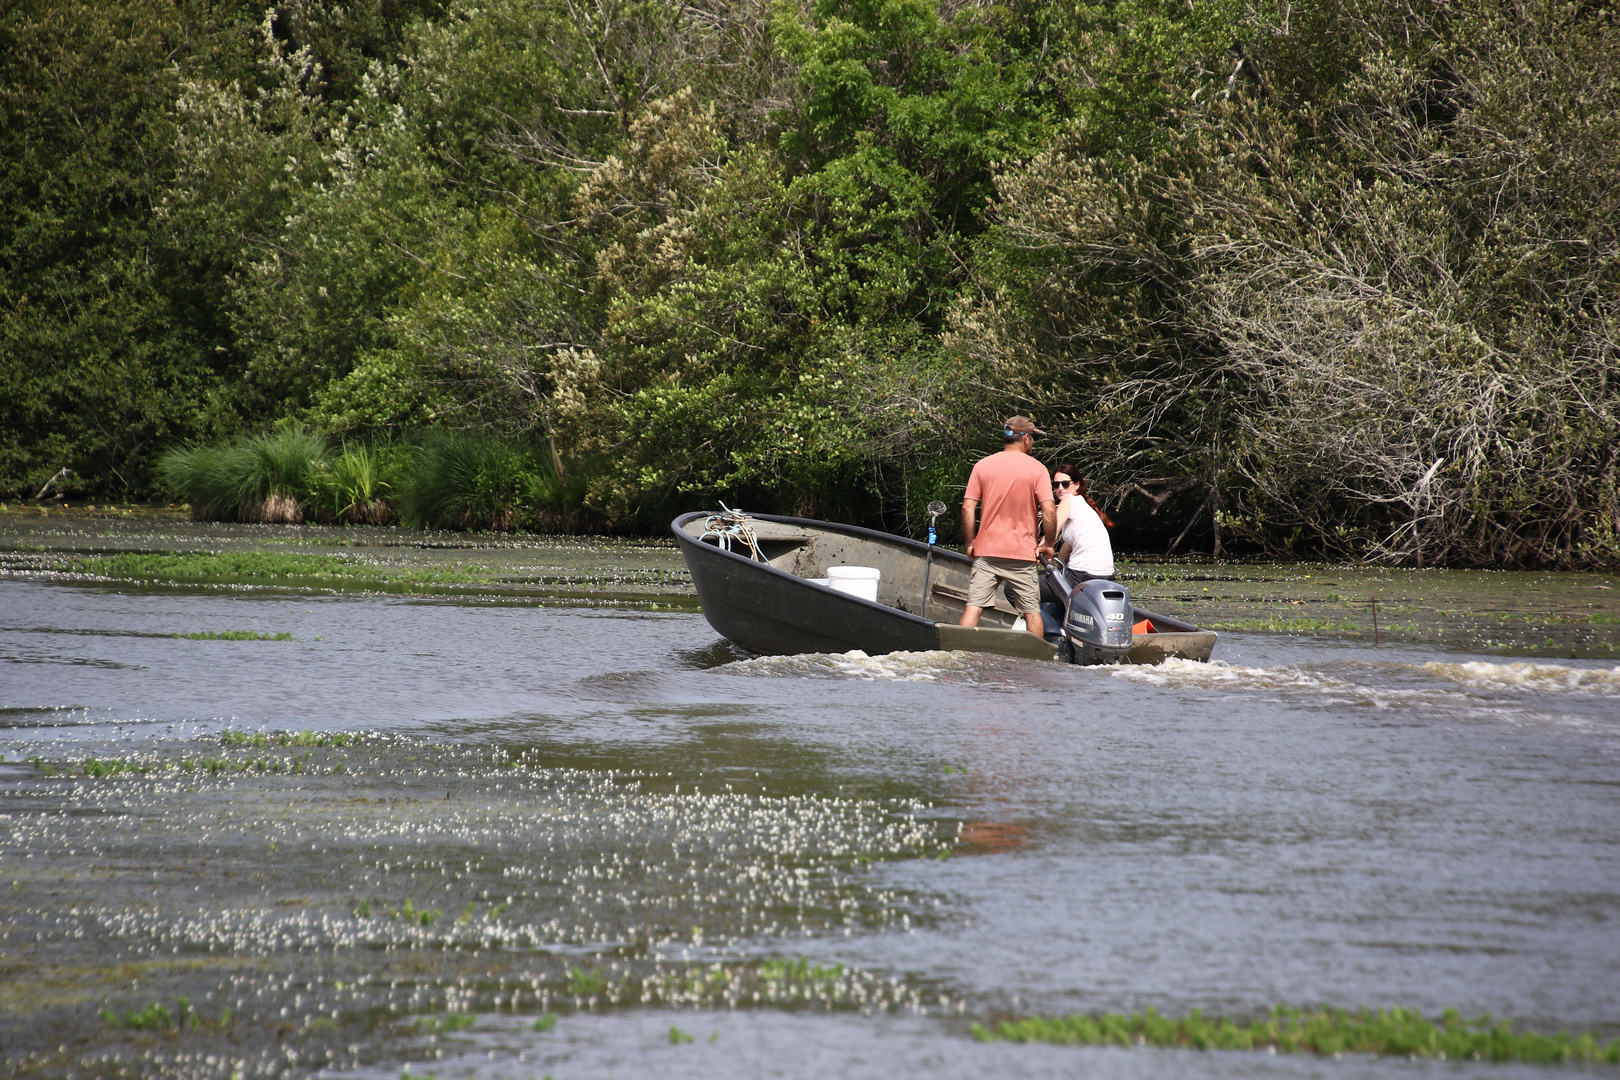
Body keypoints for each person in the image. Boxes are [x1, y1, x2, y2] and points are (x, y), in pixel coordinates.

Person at [959, 416, 1056, 638]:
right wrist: (1048, 544)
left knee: (973, 607)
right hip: (1022, 554)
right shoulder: (1038, 469)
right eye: (1033, 438)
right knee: (1032, 612)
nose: (1033, 443)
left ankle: (958, 653)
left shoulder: (983, 465)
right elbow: (1049, 511)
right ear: (1025, 438)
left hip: (987, 551)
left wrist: (970, 543)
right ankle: (1036, 662)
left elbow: (967, 508)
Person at [1054, 470, 1114, 579]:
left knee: (1015, 588)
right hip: (1104, 575)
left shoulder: (1069, 500)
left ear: (1077, 484)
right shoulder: (1082, 506)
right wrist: (1056, 569)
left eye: (1065, 484)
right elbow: (1067, 546)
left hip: (1082, 574)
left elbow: (1051, 533)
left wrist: (1040, 548)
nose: (1060, 488)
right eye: (1055, 484)